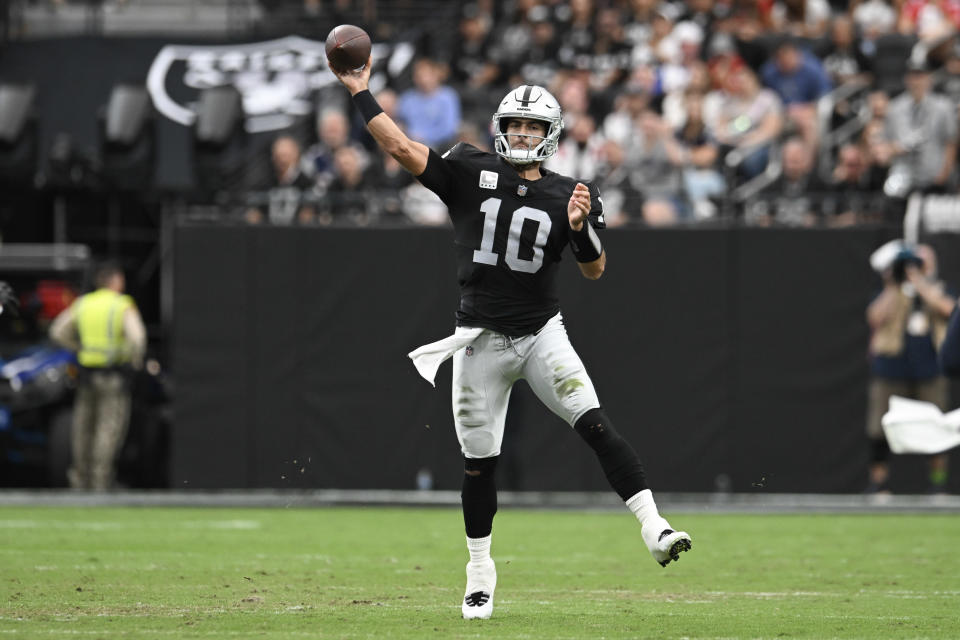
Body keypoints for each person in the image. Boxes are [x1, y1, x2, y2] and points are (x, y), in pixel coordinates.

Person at [329, 56, 691, 620]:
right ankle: (479, 570)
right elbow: (401, 149)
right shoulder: (470, 168)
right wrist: (361, 91)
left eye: (533, 127)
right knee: (480, 463)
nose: (522, 134)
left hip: (542, 332)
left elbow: (594, 270)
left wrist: (579, 229)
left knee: (595, 423)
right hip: (478, 339)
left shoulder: (570, 192)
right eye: (516, 125)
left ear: (551, 135)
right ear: (501, 128)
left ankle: (654, 526)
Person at [865, 243, 956, 494]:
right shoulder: (892, 291)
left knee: (938, 427)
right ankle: (879, 484)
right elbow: (874, 317)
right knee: (879, 427)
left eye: (921, 262)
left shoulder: (939, 289)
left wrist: (920, 283)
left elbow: (948, 309)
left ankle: (938, 485)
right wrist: (894, 283)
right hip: (892, 366)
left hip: (930, 368)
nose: (915, 268)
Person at [49, 262, 146, 491]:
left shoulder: (84, 303)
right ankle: (100, 481)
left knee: (83, 429)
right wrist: (134, 360)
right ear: (116, 281)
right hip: (113, 376)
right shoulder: (121, 305)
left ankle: (79, 480)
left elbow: (57, 330)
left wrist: (78, 348)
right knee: (107, 429)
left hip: (87, 375)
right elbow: (138, 338)